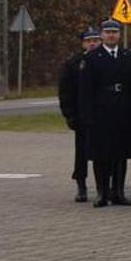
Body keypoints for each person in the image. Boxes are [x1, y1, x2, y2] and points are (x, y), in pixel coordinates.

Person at [77, 20, 131, 207]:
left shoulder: (128, 56)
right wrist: (87, 115)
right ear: (102, 35)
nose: (111, 35)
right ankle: (102, 193)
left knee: (121, 154)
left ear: (120, 35)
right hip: (101, 111)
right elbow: (85, 90)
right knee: (101, 154)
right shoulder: (91, 58)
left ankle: (119, 192)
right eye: (107, 32)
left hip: (123, 109)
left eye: (115, 32)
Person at [58, 27, 101, 203]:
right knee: (81, 153)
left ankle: (104, 187)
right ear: (83, 43)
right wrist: (69, 115)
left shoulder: (105, 60)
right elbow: (66, 91)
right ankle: (81, 185)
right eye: (89, 40)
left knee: (104, 153)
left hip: (103, 115)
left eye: (96, 40)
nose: (93, 43)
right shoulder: (74, 63)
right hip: (82, 116)